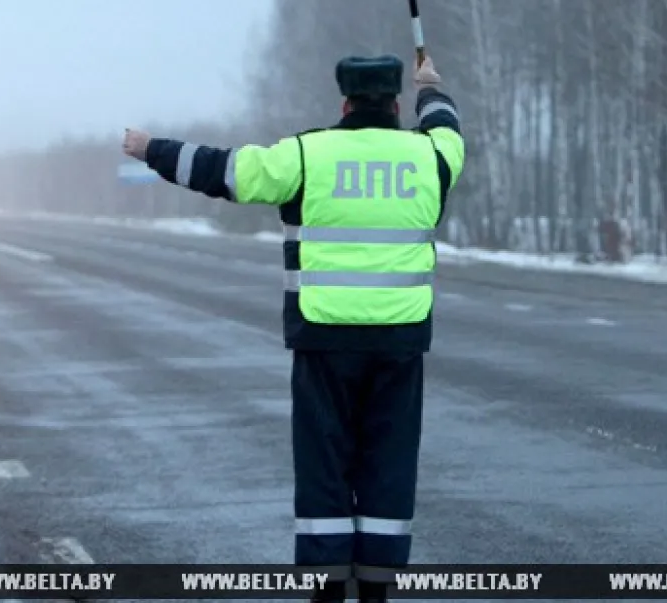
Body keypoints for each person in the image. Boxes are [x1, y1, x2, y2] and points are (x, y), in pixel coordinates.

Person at [121, 55, 464, 603]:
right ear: (395, 105)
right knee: (389, 466)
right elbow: (448, 128)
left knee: (325, 463)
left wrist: (151, 148)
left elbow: (225, 171)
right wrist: (432, 90)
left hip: (324, 339)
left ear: (344, 104)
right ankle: (375, 589)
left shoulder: (308, 153)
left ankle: (326, 588)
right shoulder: (430, 155)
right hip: (400, 342)